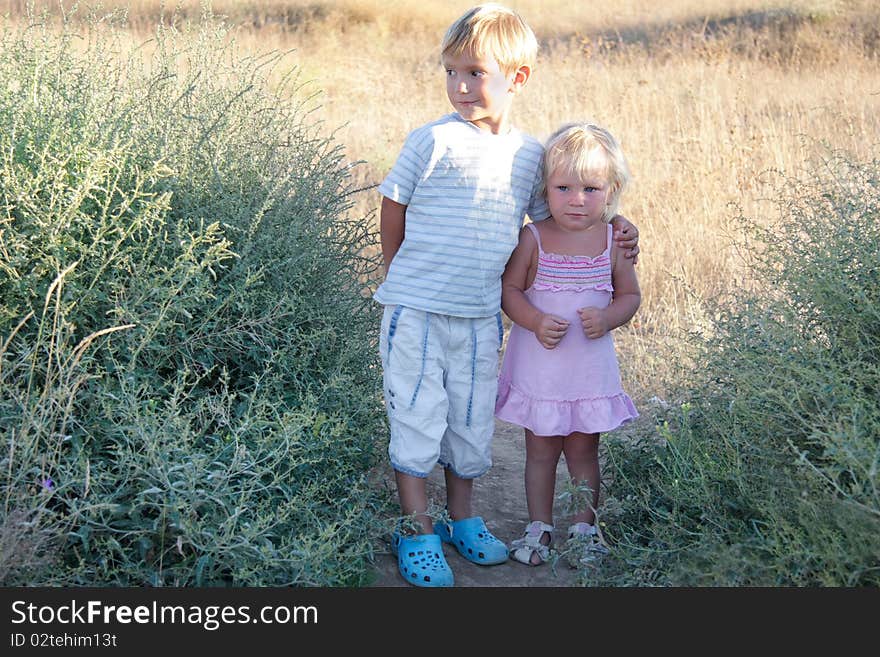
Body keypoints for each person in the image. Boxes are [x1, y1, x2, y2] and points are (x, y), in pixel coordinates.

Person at [375, 5, 640, 587]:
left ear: (517, 78)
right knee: (418, 418)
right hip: (416, 309)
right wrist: (397, 273)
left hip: (479, 317)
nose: (460, 86)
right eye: (451, 72)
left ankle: (462, 518)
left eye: (475, 72)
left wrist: (622, 227)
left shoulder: (529, 156)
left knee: (470, 424)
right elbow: (393, 205)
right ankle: (416, 529)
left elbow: (560, 223)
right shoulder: (433, 140)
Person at [495, 122, 641, 567]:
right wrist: (535, 320)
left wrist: (609, 317)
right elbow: (510, 291)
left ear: (612, 189)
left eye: (591, 188)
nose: (577, 199)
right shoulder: (533, 237)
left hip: (587, 371)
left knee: (584, 450)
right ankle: (538, 526)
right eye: (563, 187)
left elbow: (630, 296)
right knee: (539, 451)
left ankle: (584, 527)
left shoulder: (612, 242)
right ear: (545, 188)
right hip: (542, 370)